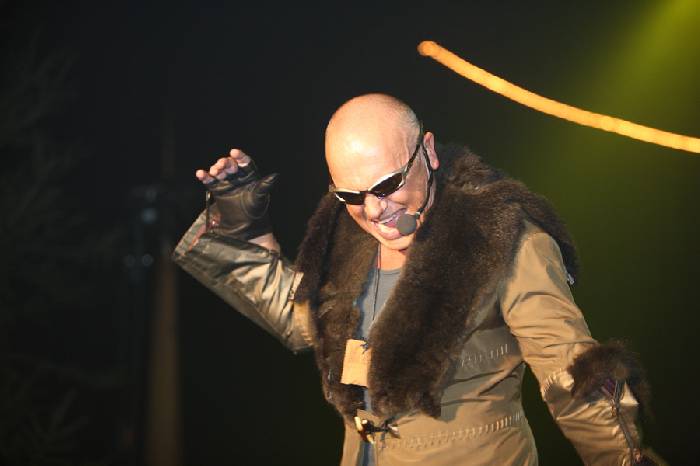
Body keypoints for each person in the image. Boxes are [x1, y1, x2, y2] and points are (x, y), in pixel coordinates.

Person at [173, 94, 662, 465]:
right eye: (351, 195)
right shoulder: (348, 241)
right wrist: (241, 224)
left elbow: (573, 375)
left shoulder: (500, 239)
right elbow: (298, 318)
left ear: (427, 151)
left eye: (388, 185)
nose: (374, 210)